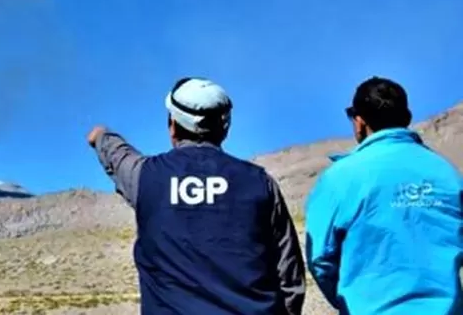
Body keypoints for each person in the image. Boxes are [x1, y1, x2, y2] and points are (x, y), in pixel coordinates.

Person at [88, 77, 305, 315]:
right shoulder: (260, 183)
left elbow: (117, 155)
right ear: (225, 128)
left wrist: (101, 136)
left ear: (172, 125)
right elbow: (289, 273)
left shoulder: (146, 177)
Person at [305, 76, 463, 314]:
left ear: (359, 122)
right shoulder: (447, 174)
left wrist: (347, 303)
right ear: (405, 118)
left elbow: (320, 259)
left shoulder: (339, 177)